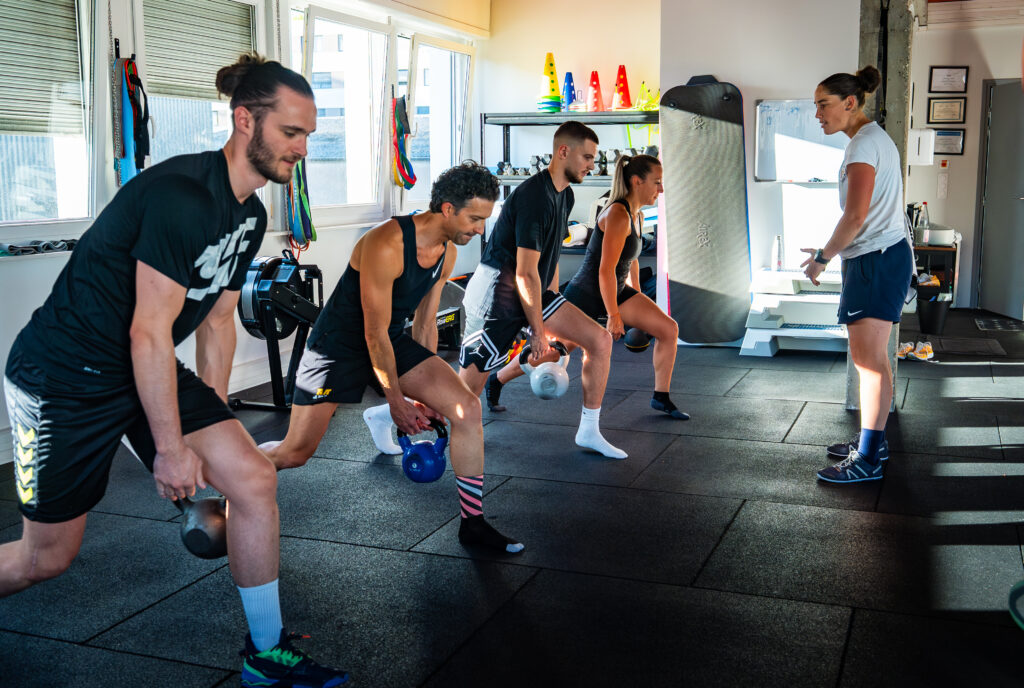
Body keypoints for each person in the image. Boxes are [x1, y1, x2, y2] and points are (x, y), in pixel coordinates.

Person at [1, 54, 353, 686]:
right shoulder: (182, 197)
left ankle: (265, 656)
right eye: (291, 133)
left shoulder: (251, 216)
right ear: (246, 121)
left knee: (250, 479)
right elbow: (147, 329)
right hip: (65, 376)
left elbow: (217, 322)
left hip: (146, 362)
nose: (303, 149)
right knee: (43, 560)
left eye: (309, 135)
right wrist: (170, 448)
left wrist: (208, 423)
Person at [259, 163, 523, 553]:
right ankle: (240, 468)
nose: (480, 229)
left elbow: (424, 326)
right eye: (475, 218)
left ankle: (473, 524)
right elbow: (371, 332)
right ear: (448, 209)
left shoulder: (447, 254)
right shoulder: (386, 243)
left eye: (485, 220)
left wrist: (423, 394)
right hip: (337, 346)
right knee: (296, 452)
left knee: (465, 407)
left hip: (392, 339)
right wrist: (396, 402)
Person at [456, 121, 626, 459]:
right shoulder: (534, 196)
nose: (592, 165)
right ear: (564, 151)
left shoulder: (566, 194)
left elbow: (549, 258)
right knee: (462, 397)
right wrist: (537, 331)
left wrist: (553, 304)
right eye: (587, 158)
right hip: (496, 300)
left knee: (599, 340)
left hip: (532, 290)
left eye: (593, 159)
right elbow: (524, 272)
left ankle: (589, 431)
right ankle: (390, 414)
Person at [484, 154, 688, 421]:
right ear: (637, 181)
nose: (661, 189)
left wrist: (636, 295)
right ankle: (497, 379)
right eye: (657, 182)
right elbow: (604, 270)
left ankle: (660, 397)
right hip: (587, 295)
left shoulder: (637, 214)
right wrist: (614, 316)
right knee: (555, 352)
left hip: (615, 290)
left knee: (668, 329)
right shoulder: (617, 213)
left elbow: (630, 260)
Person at [805, 66, 914, 484]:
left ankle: (868, 459)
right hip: (878, 257)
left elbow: (855, 216)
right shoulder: (872, 140)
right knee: (873, 361)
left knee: (869, 364)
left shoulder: (863, 146)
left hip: (876, 260)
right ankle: (875, 442)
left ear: (850, 103)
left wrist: (822, 256)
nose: (818, 114)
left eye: (823, 104)